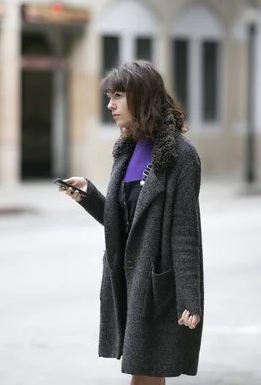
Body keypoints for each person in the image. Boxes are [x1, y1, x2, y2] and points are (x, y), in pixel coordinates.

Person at [58, 60, 204, 385]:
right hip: (128, 282)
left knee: (146, 374)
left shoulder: (181, 156)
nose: (110, 104)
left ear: (141, 96)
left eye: (118, 95)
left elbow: (185, 233)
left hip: (156, 287)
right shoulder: (126, 150)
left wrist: (189, 298)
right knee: (145, 374)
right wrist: (90, 197)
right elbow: (124, 223)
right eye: (109, 96)